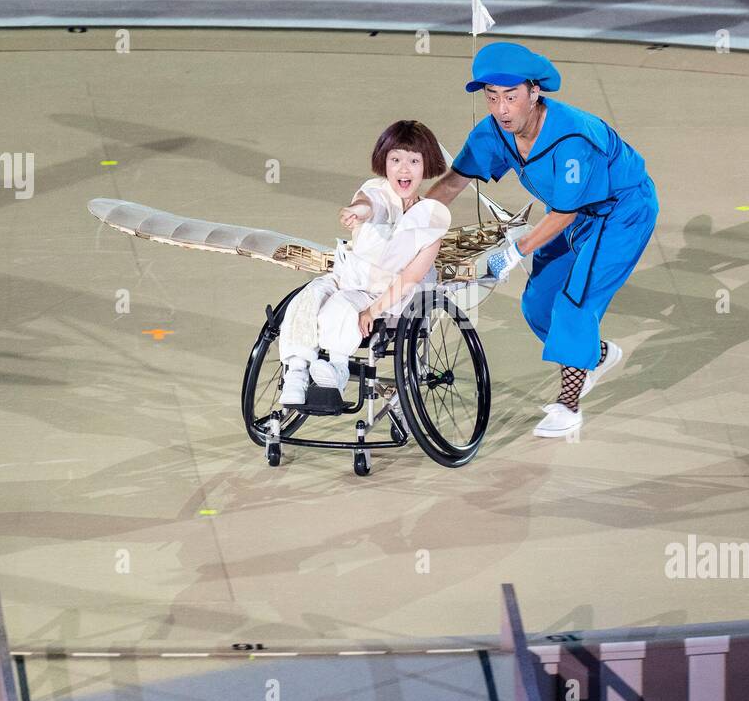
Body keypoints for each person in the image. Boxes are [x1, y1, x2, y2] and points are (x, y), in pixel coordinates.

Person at [424, 41, 659, 438]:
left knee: (575, 302)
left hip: (620, 212)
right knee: (537, 305)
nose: (501, 109)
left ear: (535, 93)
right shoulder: (492, 133)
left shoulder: (572, 139)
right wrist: (407, 223)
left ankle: (569, 406)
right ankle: (594, 355)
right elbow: (452, 184)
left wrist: (515, 250)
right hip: (570, 214)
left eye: (511, 97)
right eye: (492, 97)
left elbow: (565, 212)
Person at [278, 120, 451, 407]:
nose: (403, 169)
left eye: (413, 160)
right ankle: (296, 372)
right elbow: (367, 204)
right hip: (349, 275)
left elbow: (410, 277)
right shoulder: (378, 191)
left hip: (389, 293)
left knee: (340, 307)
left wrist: (373, 309)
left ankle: (337, 367)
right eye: (395, 159)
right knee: (305, 300)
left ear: (426, 165)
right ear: (384, 162)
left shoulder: (431, 220)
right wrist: (355, 213)